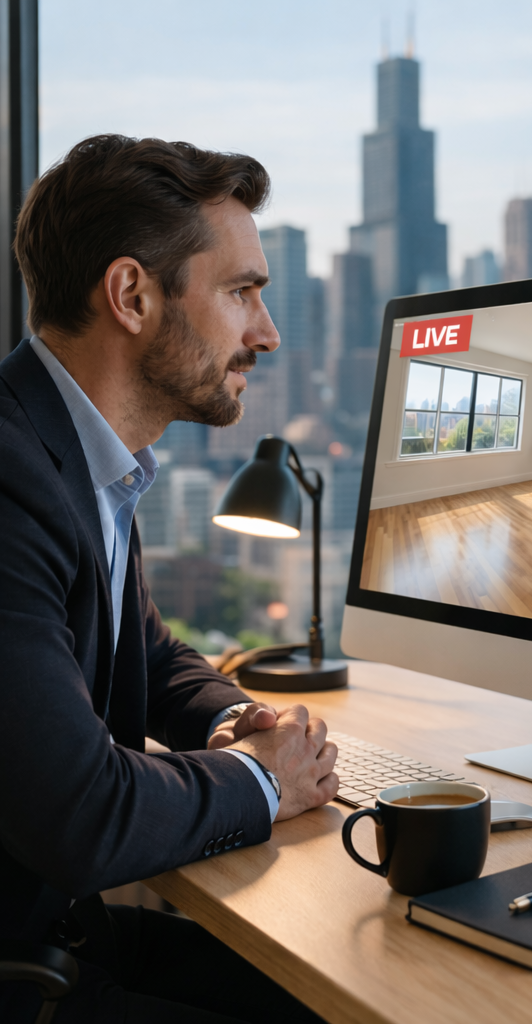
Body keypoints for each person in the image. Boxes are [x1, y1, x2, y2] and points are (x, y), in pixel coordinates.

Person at [0, 135, 339, 1024]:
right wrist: (263, 777)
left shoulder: (76, 452)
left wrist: (227, 717)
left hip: (62, 934)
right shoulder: (8, 475)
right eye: (241, 292)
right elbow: (82, 813)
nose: (264, 333)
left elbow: (136, 646)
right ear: (132, 295)